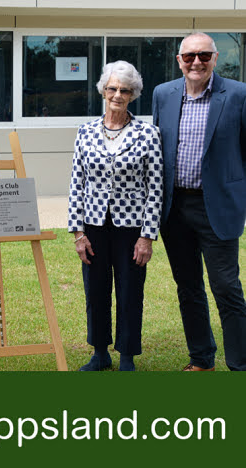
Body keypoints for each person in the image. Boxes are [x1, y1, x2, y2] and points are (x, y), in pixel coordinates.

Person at [153, 32, 246, 371]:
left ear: (215, 58)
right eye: (189, 56)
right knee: (188, 287)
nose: (196, 62)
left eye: (204, 55)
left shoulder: (238, 94)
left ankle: (240, 364)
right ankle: (202, 358)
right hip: (175, 209)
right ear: (179, 60)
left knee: (226, 288)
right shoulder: (163, 94)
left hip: (217, 208)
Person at [68, 61, 163, 371]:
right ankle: (99, 352)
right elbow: (76, 183)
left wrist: (147, 236)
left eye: (125, 90)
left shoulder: (148, 133)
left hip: (131, 227)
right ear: (103, 91)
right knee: (95, 290)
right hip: (93, 225)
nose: (118, 95)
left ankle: (126, 354)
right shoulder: (85, 131)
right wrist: (78, 233)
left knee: (130, 290)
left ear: (133, 94)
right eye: (112, 88)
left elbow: (156, 187)